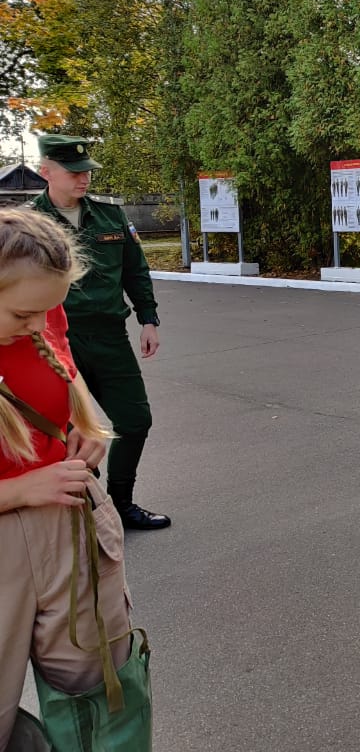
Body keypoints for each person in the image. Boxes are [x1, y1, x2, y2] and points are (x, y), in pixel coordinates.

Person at [0, 209, 132, 747]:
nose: (39, 325)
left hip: (69, 520)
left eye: (49, 310)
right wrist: (17, 491)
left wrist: (89, 429)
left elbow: (65, 376)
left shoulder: (42, 309)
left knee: (97, 681)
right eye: (23, 315)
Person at [30, 134, 169, 529]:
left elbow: (134, 271)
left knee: (135, 420)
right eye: (73, 172)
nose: (83, 179)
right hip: (55, 343)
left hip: (110, 338)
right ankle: (84, 508)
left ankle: (121, 502)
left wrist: (148, 319)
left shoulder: (110, 216)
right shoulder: (29, 224)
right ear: (46, 172)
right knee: (66, 432)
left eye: (87, 171)